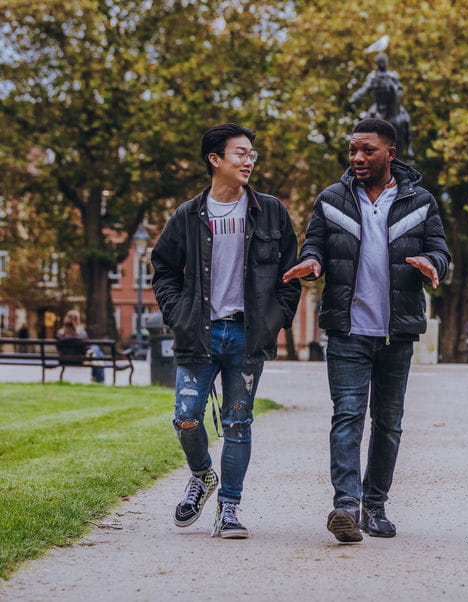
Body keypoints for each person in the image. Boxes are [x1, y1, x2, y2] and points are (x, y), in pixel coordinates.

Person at [283, 118, 450, 543]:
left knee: (389, 423)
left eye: (367, 150)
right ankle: (346, 507)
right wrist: (313, 262)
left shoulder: (421, 201)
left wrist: (434, 265)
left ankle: (375, 506)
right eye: (353, 150)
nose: (357, 157)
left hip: (396, 333)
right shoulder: (331, 199)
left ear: (390, 154)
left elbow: (439, 250)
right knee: (347, 418)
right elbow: (315, 244)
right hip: (347, 330)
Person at [151, 123, 301, 539]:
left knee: (238, 424)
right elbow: (163, 269)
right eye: (240, 153)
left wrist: (276, 320)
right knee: (186, 417)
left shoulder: (270, 211)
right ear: (215, 160)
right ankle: (202, 475)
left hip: (247, 336)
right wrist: (177, 313)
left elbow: (290, 275)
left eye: (252, 153)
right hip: (198, 332)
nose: (249, 160)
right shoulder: (187, 215)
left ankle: (229, 509)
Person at [349, 53, 413, 158]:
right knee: (367, 122)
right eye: (380, 62)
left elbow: (400, 89)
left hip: (392, 105)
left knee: (405, 119)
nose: (382, 64)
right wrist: (355, 96)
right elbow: (365, 89)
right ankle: (365, 145)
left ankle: (409, 145)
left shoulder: (392, 76)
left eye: (384, 62)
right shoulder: (372, 77)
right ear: (377, 64)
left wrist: (396, 93)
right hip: (378, 107)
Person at [56, 309, 105, 383]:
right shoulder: (81, 333)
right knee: (96, 349)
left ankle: (97, 378)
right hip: (79, 360)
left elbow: (58, 348)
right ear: (77, 320)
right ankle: (99, 380)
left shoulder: (60, 333)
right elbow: (86, 347)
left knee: (95, 349)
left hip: (63, 359)